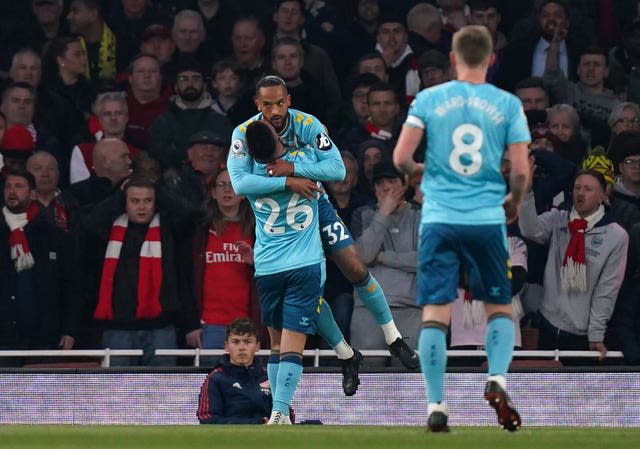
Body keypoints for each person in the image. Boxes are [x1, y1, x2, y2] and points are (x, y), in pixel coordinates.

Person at [393, 25, 531, 432]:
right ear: (491, 59)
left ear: (452, 60)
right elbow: (520, 170)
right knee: (499, 307)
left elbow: (400, 157)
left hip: (438, 217)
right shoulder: (507, 103)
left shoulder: (430, 98)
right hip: (486, 218)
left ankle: (436, 404)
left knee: (436, 312)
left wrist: (422, 172)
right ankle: (497, 378)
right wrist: (514, 201)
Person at [240, 75, 419, 376]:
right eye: (267, 105)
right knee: (305, 291)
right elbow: (239, 182)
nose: (274, 111)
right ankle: (346, 355)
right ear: (258, 106)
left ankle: (394, 337)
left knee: (356, 268)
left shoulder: (308, 125)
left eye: (280, 103)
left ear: (289, 101)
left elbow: (336, 169)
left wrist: (292, 168)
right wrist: (288, 180)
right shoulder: (244, 135)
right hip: (280, 219)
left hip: (316, 205)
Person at [228, 117, 338, 424]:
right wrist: (292, 176)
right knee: (293, 344)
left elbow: (239, 183)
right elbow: (336, 170)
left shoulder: (252, 175)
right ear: (278, 136)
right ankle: (279, 411)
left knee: (277, 344)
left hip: (267, 268)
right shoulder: (302, 161)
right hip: (303, 266)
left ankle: (277, 412)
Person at [518, 169, 628, 362]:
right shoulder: (558, 218)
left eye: (588, 189)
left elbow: (607, 289)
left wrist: (596, 334)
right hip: (548, 324)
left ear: (602, 196)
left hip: (581, 335)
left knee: (575, 391)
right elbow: (530, 230)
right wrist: (526, 192)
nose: (580, 193)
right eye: (577, 188)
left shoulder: (616, 235)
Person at [349, 161, 421, 365]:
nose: (386, 187)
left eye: (391, 181)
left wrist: (381, 257)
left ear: (404, 184)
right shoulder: (362, 214)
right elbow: (361, 256)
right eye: (380, 183)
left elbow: (425, 260)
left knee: (409, 382)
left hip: (411, 308)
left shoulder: (422, 215)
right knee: (368, 380)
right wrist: (383, 215)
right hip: (368, 308)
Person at [190, 168, 258, 352]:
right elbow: (187, 279)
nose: (227, 190)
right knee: (211, 380)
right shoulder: (199, 231)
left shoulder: (258, 231)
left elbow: (275, 278)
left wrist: (255, 263)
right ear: (213, 193)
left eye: (232, 185)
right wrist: (191, 324)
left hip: (247, 325)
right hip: (209, 324)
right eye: (221, 185)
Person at [197, 318, 271, 424]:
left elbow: (286, 415)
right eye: (236, 342)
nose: (241, 347)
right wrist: (255, 423)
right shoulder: (216, 378)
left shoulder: (269, 377)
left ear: (257, 346)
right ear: (226, 346)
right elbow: (207, 418)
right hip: (228, 439)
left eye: (248, 342)